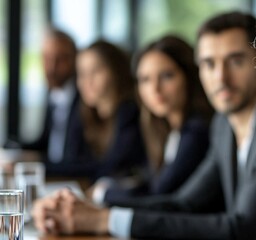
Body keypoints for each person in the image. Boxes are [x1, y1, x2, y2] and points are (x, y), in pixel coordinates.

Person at [32, 12, 256, 239]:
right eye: (209, 63)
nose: (220, 77)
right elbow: (182, 202)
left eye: (235, 61)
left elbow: (245, 228)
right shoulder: (222, 125)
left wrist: (104, 218)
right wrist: (87, 211)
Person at [94, 35, 213, 204]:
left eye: (166, 76)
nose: (155, 89)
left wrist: (102, 194)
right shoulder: (168, 130)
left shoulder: (197, 131)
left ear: (189, 77)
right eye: (145, 80)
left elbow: (159, 193)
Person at [46, 40, 145, 181]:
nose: (87, 81)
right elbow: (73, 160)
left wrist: (40, 168)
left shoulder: (129, 113)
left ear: (116, 72)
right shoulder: (85, 112)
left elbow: (108, 168)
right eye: (82, 74)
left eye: (96, 71)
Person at [4, 28, 79, 166]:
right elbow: (45, 144)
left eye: (60, 59)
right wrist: (15, 151)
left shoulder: (85, 100)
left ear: (75, 60)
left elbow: (74, 161)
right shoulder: (53, 93)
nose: (51, 67)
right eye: (47, 58)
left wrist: (37, 162)